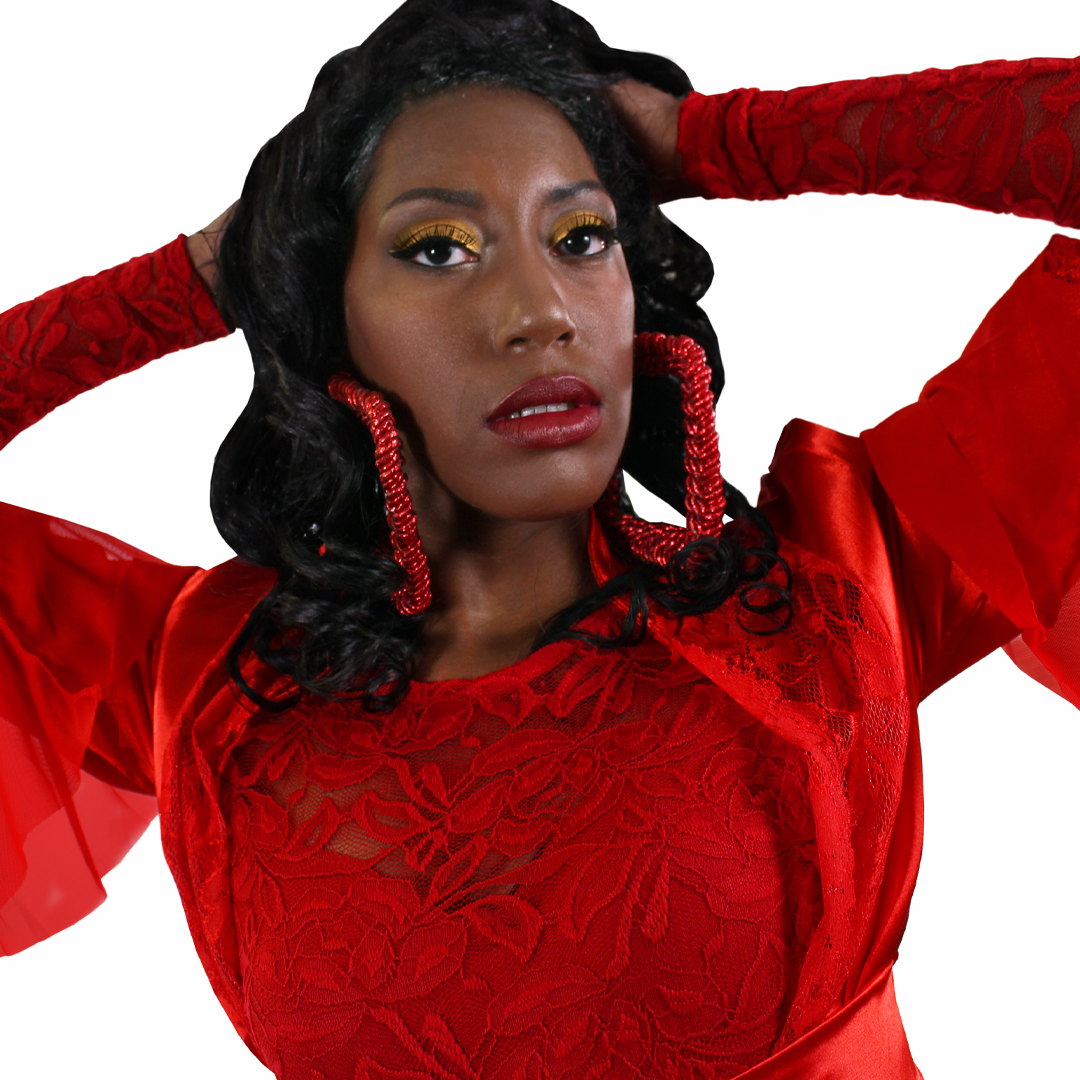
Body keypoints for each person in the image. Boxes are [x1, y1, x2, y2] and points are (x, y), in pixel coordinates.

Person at [1, 1, 1078, 1077]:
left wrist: (727, 139)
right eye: (438, 248)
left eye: (582, 238)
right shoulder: (214, 683)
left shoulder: (828, 601)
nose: (542, 310)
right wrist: (203, 279)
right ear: (332, 313)